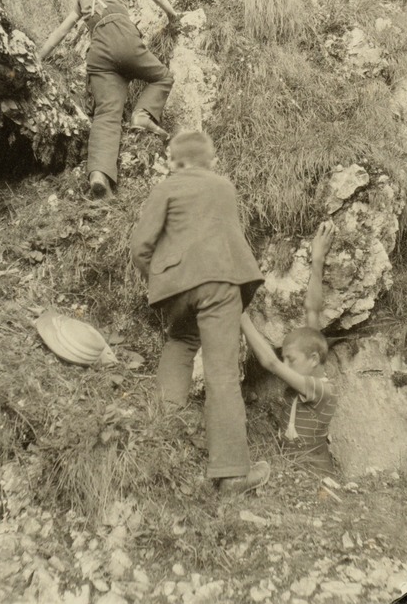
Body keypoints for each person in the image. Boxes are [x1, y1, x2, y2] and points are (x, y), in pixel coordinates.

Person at [130, 131, 270, 494]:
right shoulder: (224, 187)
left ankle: (161, 433)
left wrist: (160, 278)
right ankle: (231, 473)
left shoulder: (166, 187)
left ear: (174, 161)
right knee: (221, 370)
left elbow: (140, 246)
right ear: (210, 160)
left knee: (180, 340)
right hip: (220, 281)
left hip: (176, 286)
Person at [37, 0, 180, 199]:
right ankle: (143, 115)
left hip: (98, 54)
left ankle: (99, 174)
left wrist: (37, 58)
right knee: (162, 77)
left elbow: (60, 32)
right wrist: (173, 18)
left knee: (106, 115)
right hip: (123, 38)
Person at [240, 221, 338, 475]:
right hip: (292, 466)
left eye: (290, 359)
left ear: (313, 359)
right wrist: (317, 260)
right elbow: (312, 310)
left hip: (315, 473)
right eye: (285, 359)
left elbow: (269, 364)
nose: (285, 366)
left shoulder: (320, 389)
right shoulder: (311, 365)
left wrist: (240, 314)